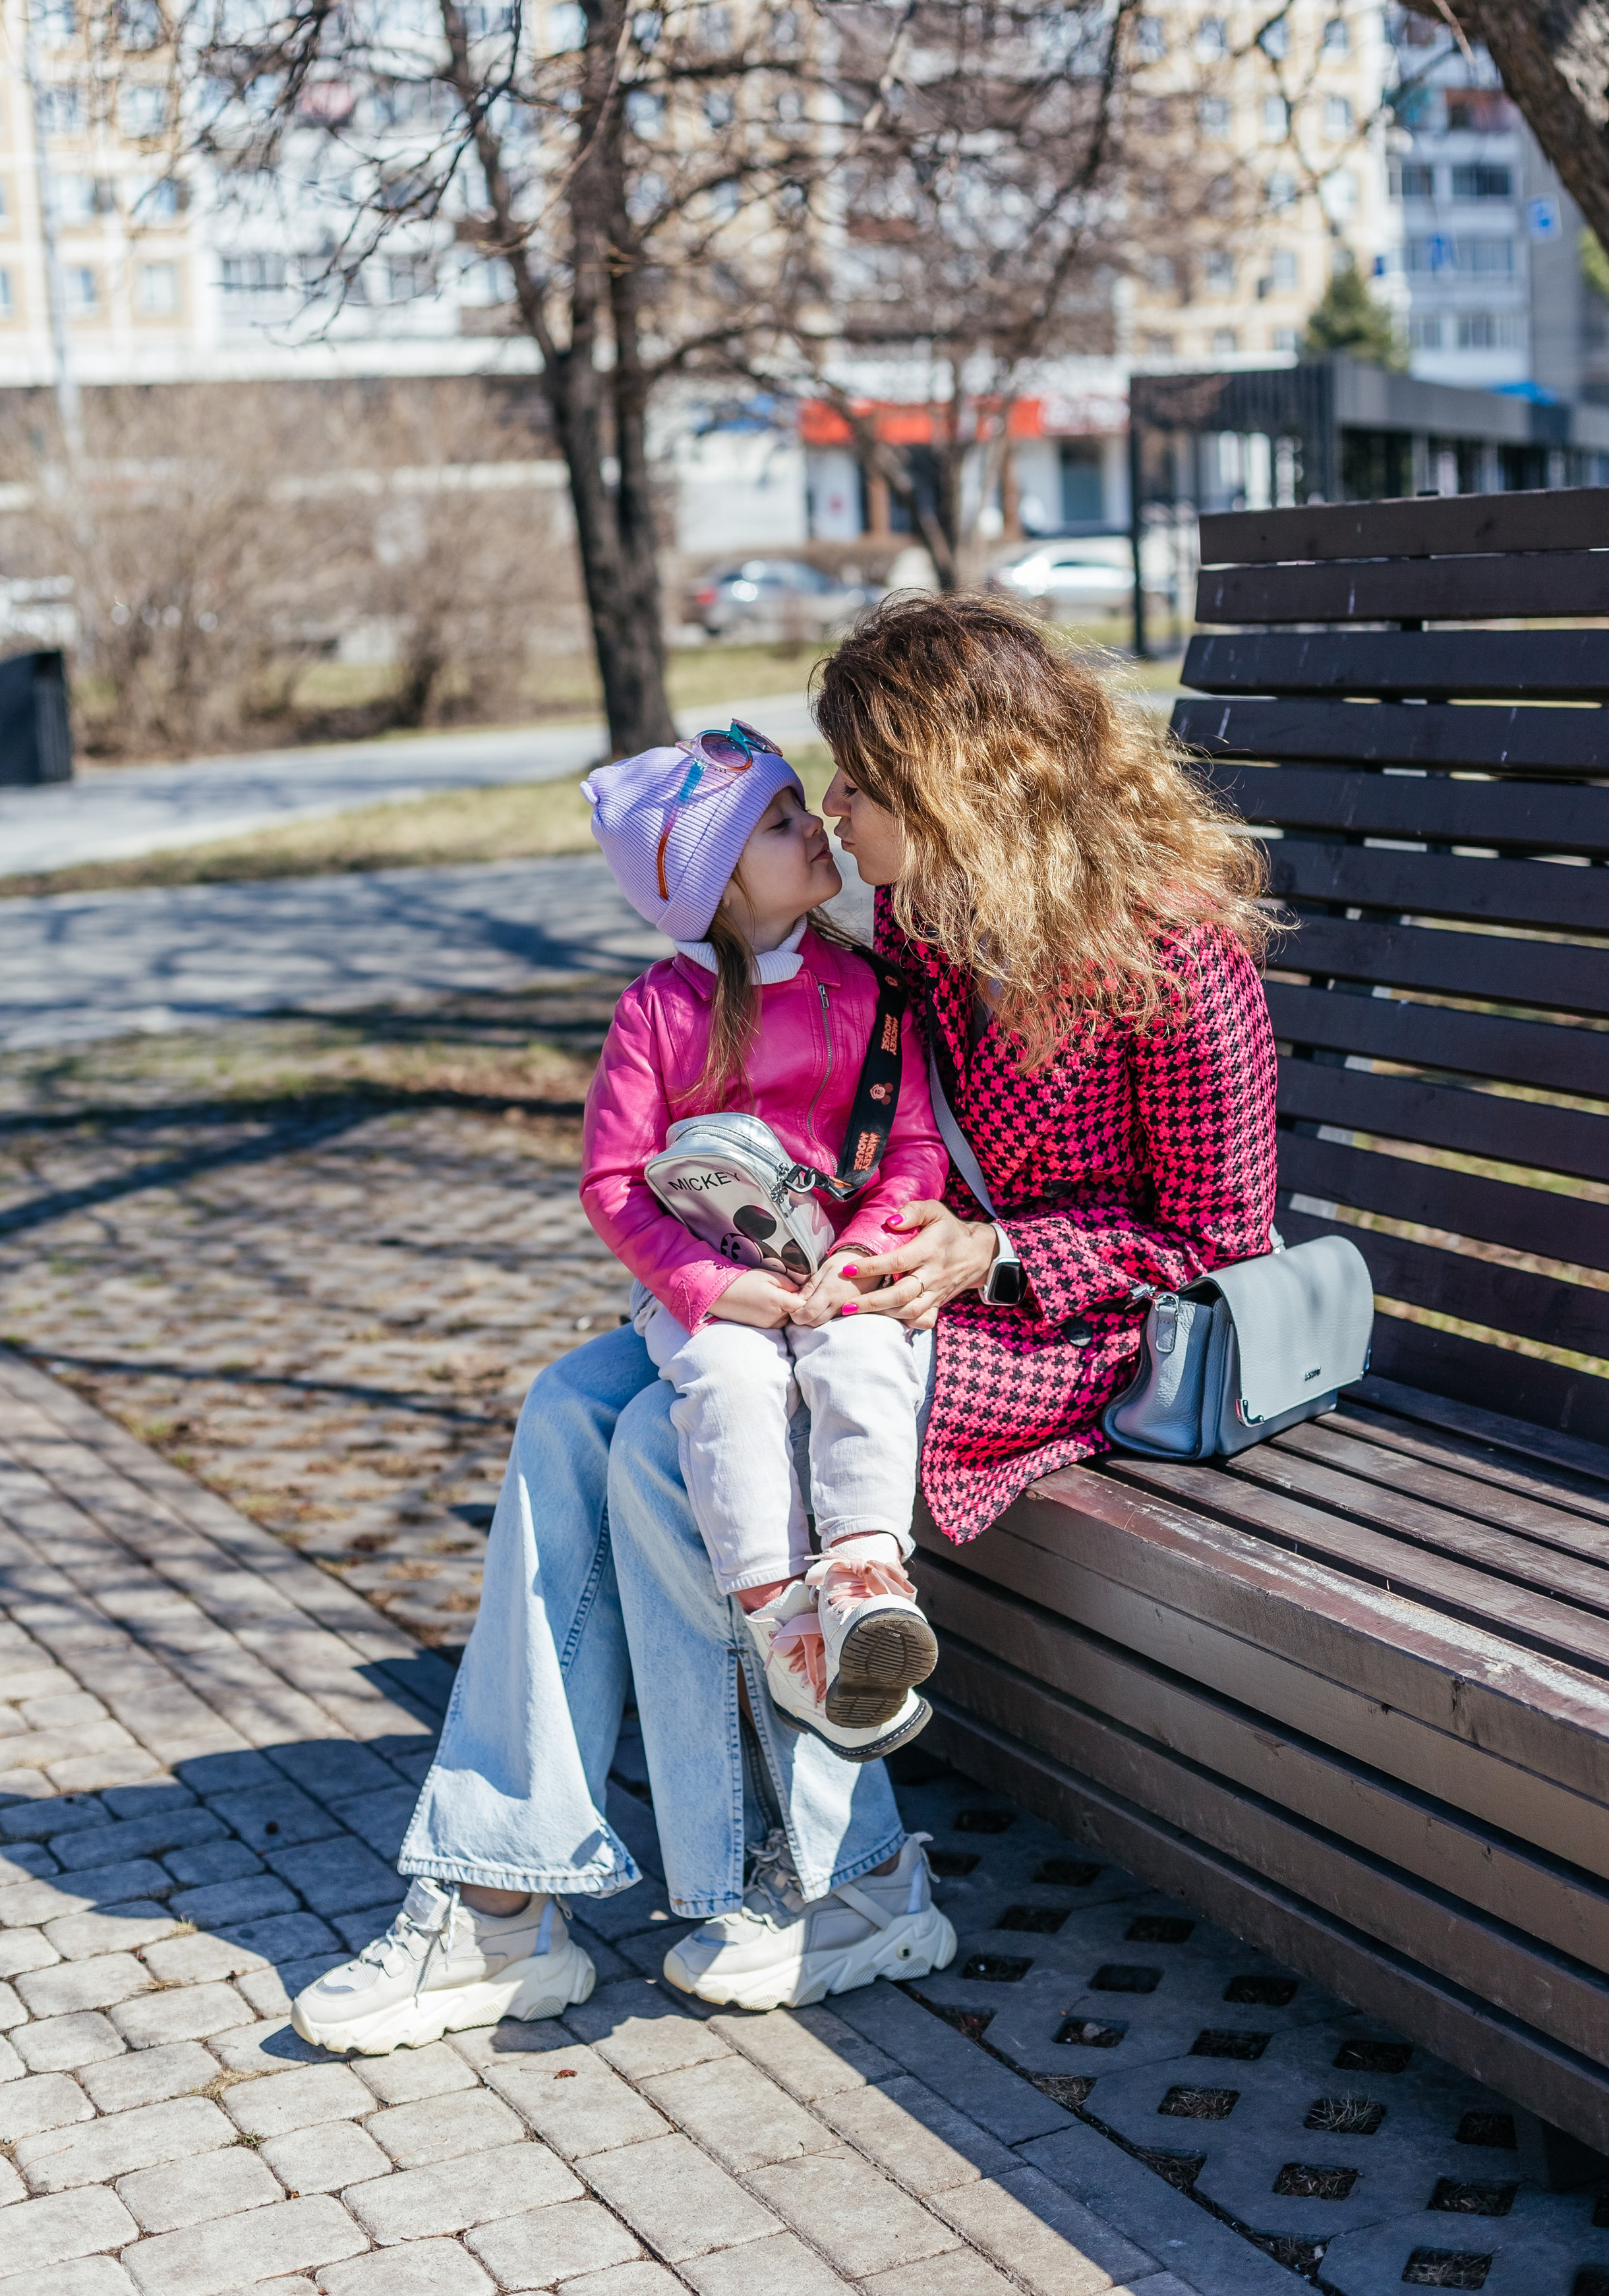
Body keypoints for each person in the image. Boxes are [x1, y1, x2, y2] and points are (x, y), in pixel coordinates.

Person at [291, 595, 1277, 2055]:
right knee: (574, 1408)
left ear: (957, 784)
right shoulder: (935, 928)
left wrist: (991, 1250)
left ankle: (843, 1877)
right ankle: (501, 1901)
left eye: (861, 788)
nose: (835, 816)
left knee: (657, 1447)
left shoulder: (1175, 962)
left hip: (1063, 1332)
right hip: (870, 1289)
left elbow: (1218, 1240)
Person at [576, 722, 951, 1756]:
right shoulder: (658, 1011)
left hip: (840, 1265)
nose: (818, 822)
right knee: (732, 1389)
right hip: (713, 1291)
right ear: (715, 886)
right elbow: (613, 1184)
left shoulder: (868, 988)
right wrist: (709, 1288)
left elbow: (911, 1145)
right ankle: (786, 1630)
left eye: (802, 805)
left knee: (866, 1352)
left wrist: (861, 1254)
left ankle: (869, 1585)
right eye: (780, 823)